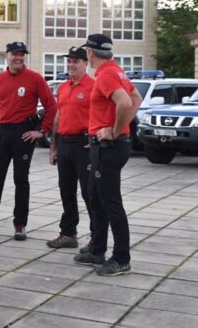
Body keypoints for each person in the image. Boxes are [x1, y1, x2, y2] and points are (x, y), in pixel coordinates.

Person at [0, 41, 56, 240]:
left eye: (22, 54)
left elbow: (51, 106)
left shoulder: (35, 79)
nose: (18, 57)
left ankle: (19, 224)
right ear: (6, 56)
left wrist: (41, 131)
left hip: (24, 134)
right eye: (15, 54)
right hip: (2, 133)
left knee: (21, 180)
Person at [73, 34, 141, 276]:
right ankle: (97, 249)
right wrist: (119, 129)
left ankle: (121, 258)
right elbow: (136, 98)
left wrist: (114, 131)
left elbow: (124, 103)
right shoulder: (116, 71)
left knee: (110, 202)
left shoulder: (106, 75)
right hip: (101, 147)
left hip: (108, 147)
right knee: (95, 196)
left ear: (90, 53)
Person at [47, 46, 95, 249]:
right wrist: (54, 144)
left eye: (76, 61)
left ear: (85, 63)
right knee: (66, 191)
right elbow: (59, 117)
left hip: (83, 145)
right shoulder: (63, 87)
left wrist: (94, 139)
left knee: (89, 192)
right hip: (65, 143)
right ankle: (68, 233)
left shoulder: (94, 86)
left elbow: (101, 114)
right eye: (69, 61)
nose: (71, 64)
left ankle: (96, 236)